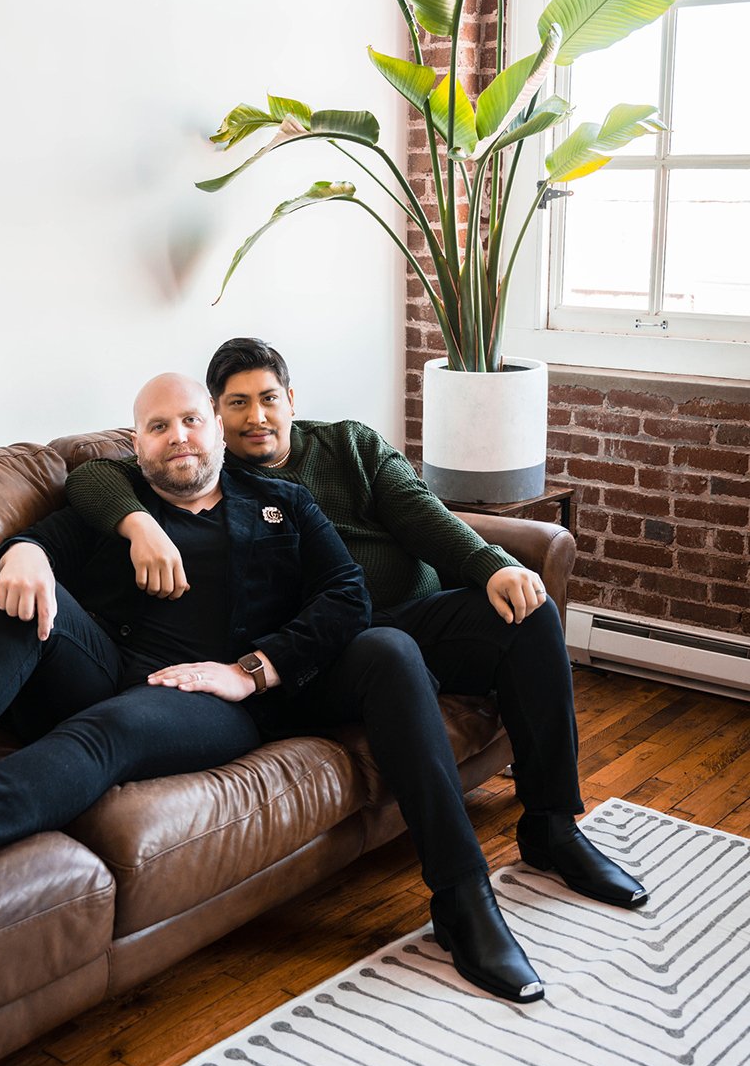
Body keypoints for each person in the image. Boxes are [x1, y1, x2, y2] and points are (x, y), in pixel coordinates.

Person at [64, 337, 648, 998]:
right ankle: (462, 899)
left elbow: (425, 518)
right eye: (236, 404)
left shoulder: (347, 446)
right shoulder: (210, 476)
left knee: (529, 612)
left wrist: (494, 565)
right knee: (387, 651)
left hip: (414, 614)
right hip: (337, 650)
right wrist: (138, 523)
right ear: (214, 417)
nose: (256, 416)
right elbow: (92, 472)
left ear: (292, 402)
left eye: (268, 398)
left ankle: (552, 826)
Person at [0, 373, 372, 908]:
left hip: (206, 699)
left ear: (217, 427)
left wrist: (249, 668)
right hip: (103, 669)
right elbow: (37, 543)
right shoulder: (115, 504)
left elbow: (348, 594)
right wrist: (26, 554)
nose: (178, 435)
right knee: (24, 602)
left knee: (108, 731)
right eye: (158, 426)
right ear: (137, 445)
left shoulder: (280, 502)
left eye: (191, 420)